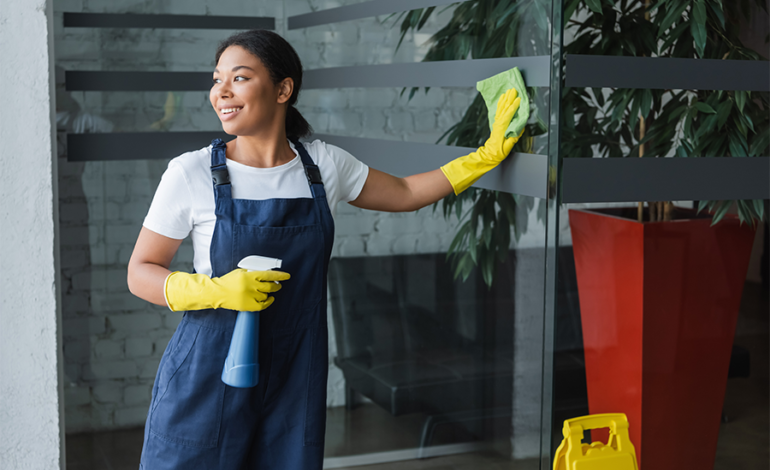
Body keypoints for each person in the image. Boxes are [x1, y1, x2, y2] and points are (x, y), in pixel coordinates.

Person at [127, 29, 522, 470]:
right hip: (208, 372)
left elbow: (407, 192)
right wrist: (214, 291)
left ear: (283, 89)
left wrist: (484, 157)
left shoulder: (323, 166)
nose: (221, 91)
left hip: (294, 375)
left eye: (239, 78)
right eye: (217, 79)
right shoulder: (192, 172)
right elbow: (141, 271)